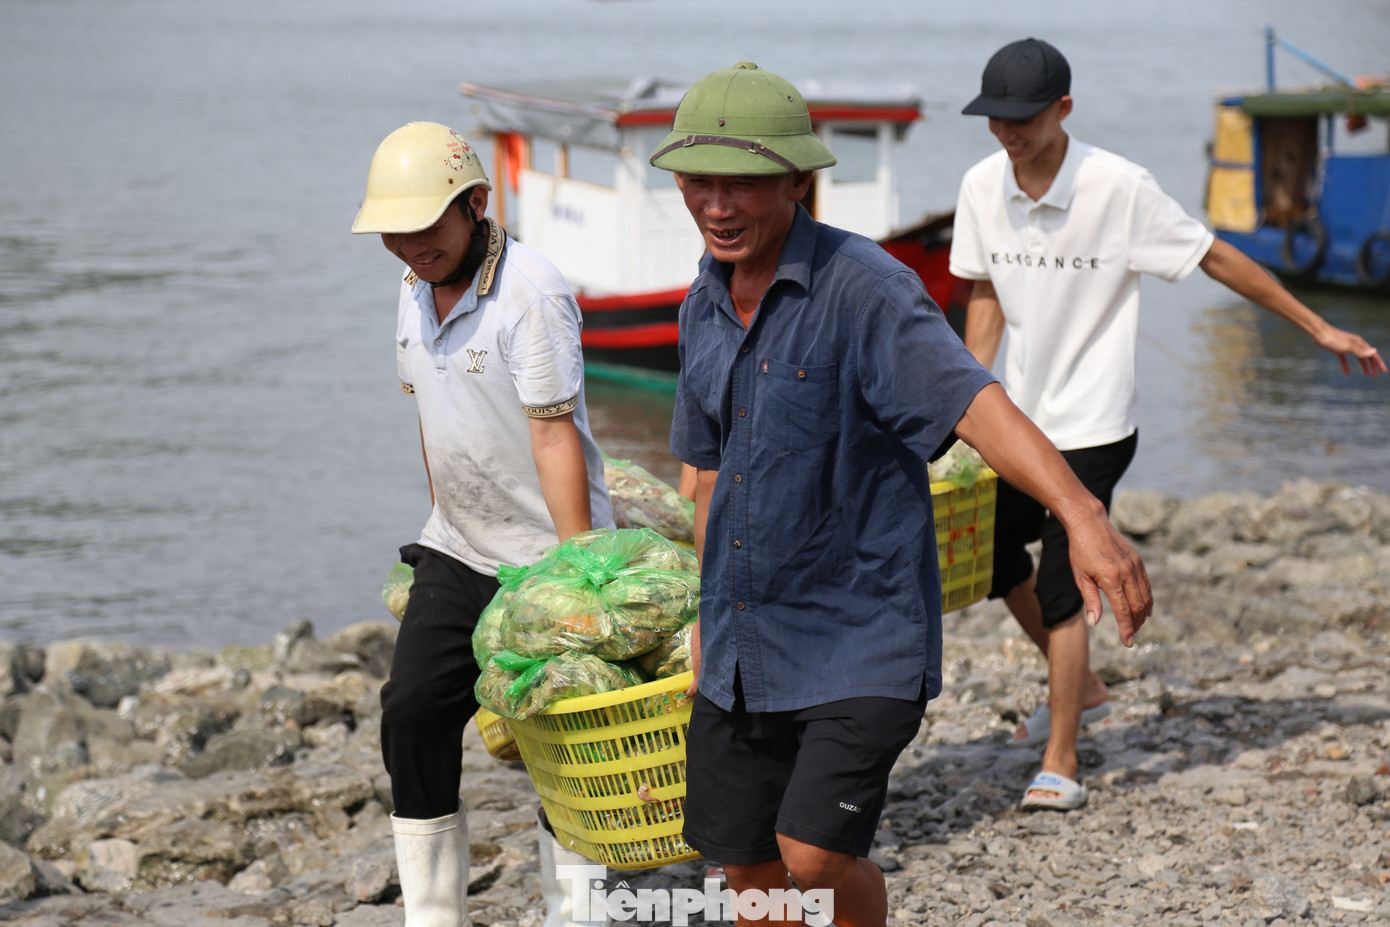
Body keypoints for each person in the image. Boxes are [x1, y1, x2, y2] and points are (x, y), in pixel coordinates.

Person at [652, 62, 1153, 927]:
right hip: (744, 640)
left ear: (796, 181)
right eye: (700, 182)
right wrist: (706, 617)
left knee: (812, 856)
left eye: (743, 184)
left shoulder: (866, 288)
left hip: (860, 631)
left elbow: (974, 402)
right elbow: (707, 480)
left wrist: (1082, 513)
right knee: (748, 870)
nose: (718, 205)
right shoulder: (702, 303)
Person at [949, 38, 1386, 812]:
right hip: (1020, 418)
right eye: (995, 118)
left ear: (1064, 109)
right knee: (988, 554)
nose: (1007, 132)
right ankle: (1083, 689)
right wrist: (964, 401)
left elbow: (1215, 257)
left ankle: (1061, 758)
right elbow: (982, 294)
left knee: (1066, 581)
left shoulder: (1118, 187)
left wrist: (1317, 326)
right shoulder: (981, 186)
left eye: (1023, 118)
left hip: (1095, 421)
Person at [351, 121, 616, 927]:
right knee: (411, 711)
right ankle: (433, 914)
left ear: (475, 203)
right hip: (459, 548)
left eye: (426, 225)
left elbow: (553, 433)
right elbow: (433, 419)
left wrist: (580, 571)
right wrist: (442, 516)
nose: (411, 246)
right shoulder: (411, 286)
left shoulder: (531, 292)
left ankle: (577, 912)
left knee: (560, 736)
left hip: (547, 554)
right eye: (394, 232)